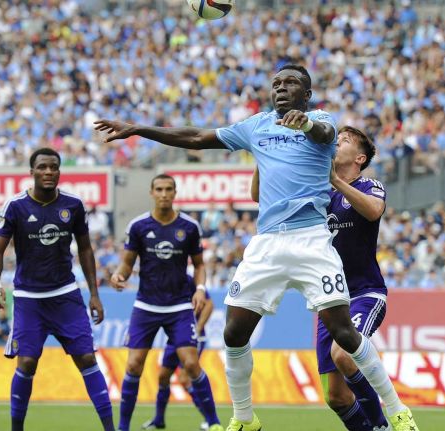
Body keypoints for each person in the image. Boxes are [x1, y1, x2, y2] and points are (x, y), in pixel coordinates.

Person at [95, 64, 419, 431]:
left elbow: (327, 132)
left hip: (310, 238)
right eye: (277, 83)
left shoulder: (322, 121)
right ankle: (245, 418)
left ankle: (396, 411)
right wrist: (140, 130)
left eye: (292, 82)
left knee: (345, 336)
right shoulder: (257, 126)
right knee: (233, 331)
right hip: (266, 242)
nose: (281, 87)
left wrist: (307, 124)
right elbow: (198, 137)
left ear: (307, 94)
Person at [251, 125, 392, 431]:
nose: (335, 143)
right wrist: (265, 159)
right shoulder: (318, 191)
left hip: (365, 293)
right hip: (329, 299)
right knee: (337, 397)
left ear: (359, 157)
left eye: (343, 141)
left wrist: (337, 182)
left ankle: (383, 426)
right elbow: (258, 197)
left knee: (344, 354)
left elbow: (372, 212)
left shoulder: (369, 186)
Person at [0, 148, 114, 431]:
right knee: (28, 362)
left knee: (87, 358)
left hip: (65, 295)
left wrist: (94, 294)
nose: (48, 172)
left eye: (53, 167)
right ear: (31, 172)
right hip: (29, 299)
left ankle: (110, 428)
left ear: (59, 171)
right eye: (42, 167)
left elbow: (85, 248)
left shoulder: (74, 205)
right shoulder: (15, 206)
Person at [111, 174, 222, 431]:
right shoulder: (138, 226)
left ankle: (214, 423)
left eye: (168, 189)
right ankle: (123, 427)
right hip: (146, 305)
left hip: (179, 306)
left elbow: (199, 265)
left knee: (192, 364)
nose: (164, 193)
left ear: (175, 193)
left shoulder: (190, 227)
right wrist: (119, 275)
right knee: (134, 364)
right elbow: (127, 263)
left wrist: (201, 289)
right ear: (152, 192)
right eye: (159, 189)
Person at [143, 280, 215, 431]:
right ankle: (158, 419)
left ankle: (210, 420)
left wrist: (199, 326)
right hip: (174, 337)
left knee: (184, 377)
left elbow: (209, 304)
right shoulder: (166, 283)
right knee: (163, 376)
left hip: (192, 338)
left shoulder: (189, 281)